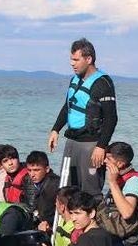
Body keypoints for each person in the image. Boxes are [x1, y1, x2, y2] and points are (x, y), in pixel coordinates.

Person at [48, 38, 118, 197]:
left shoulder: (103, 83)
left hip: (91, 144)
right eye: (71, 59)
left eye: (76, 59)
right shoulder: (75, 79)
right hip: (72, 141)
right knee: (66, 187)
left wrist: (101, 146)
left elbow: (111, 118)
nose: (72, 64)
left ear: (88, 59)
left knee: (90, 190)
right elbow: (68, 106)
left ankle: (94, 218)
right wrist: (55, 130)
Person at [24, 151, 61, 230]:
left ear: (47, 169)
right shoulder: (27, 181)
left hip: (50, 226)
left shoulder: (56, 184)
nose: (32, 174)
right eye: (29, 170)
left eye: (36, 170)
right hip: (35, 223)